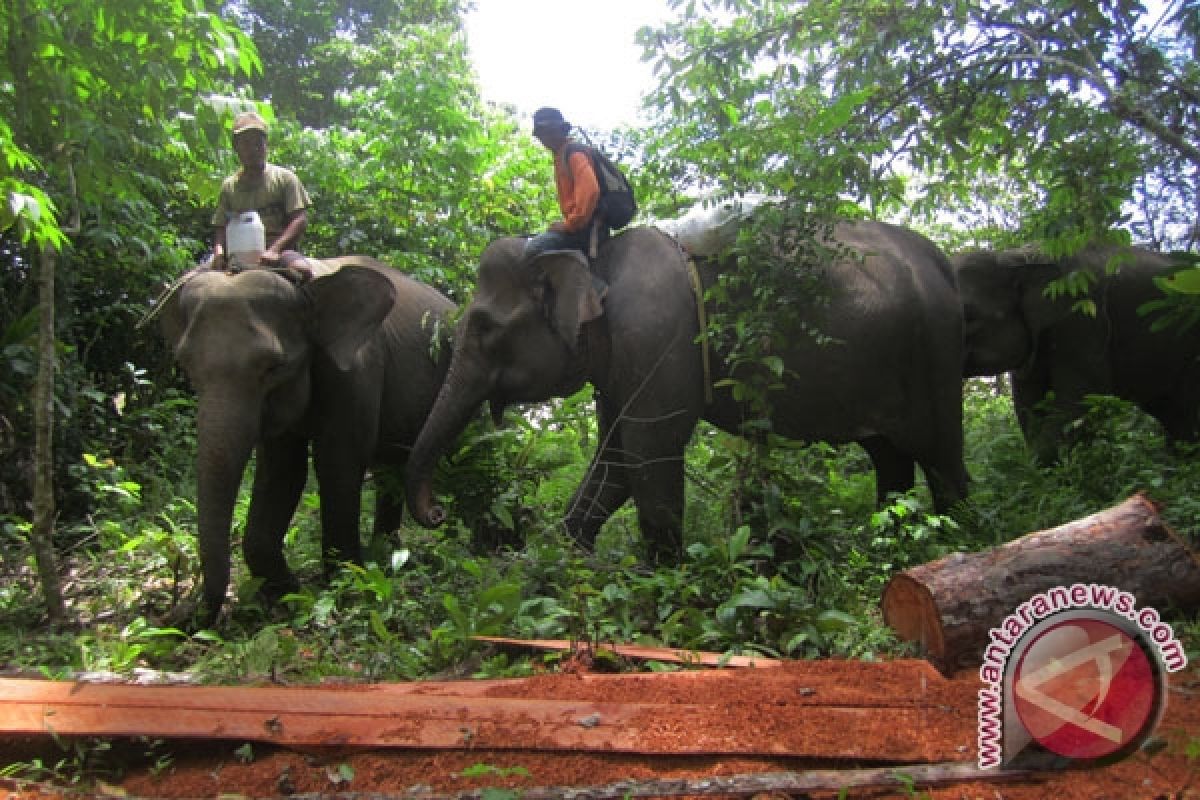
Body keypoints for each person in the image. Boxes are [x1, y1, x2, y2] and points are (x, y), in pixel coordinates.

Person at [209, 111, 311, 273]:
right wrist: (219, 252)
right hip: (236, 254)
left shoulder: (285, 178)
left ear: (266, 146)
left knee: (303, 271)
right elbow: (221, 225)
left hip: (278, 251)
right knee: (189, 283)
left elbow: (300, 219)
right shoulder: (229, 186)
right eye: (246, 144)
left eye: (258, 143)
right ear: (237, 148)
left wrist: (275, 250)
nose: (253, 149)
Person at [523, 107, 607, 261]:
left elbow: (591, 191)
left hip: (587, 229)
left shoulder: (574, 153)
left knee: (534, 247)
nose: (543, 138)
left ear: (558, 130)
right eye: (541, 134)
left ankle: (594, 284)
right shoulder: (561, 155)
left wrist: (569, 225)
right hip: (582, 227)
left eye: (545, 132)